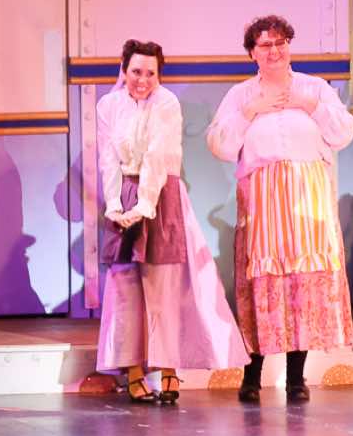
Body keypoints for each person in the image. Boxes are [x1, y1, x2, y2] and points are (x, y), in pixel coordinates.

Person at [207, 14, 353, 402]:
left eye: (280, 43)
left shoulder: (314, 88)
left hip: (307, 199)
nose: (274, 51)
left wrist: (311, 106)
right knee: (263, 283)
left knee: (301, 285)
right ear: (252, 53)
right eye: (265, 45)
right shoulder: (241, 94)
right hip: (263, 200)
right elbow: (220, 144)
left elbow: (342, 132)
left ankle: (296, 378)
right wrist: (251, 111)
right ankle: (252, 376)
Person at [95, 38, 247, 405]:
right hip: (126, 194)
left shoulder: (166, 103)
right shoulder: (108, 105)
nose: (142, 80)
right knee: (125, 288)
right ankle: (133, 372)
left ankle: (168, 369)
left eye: (150, 73)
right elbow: (107, 158)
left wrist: (145, 206)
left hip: (161, 195)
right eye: (136, 72)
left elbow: (157, 156)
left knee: (164, 287)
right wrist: (114, 204)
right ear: (123, 70)